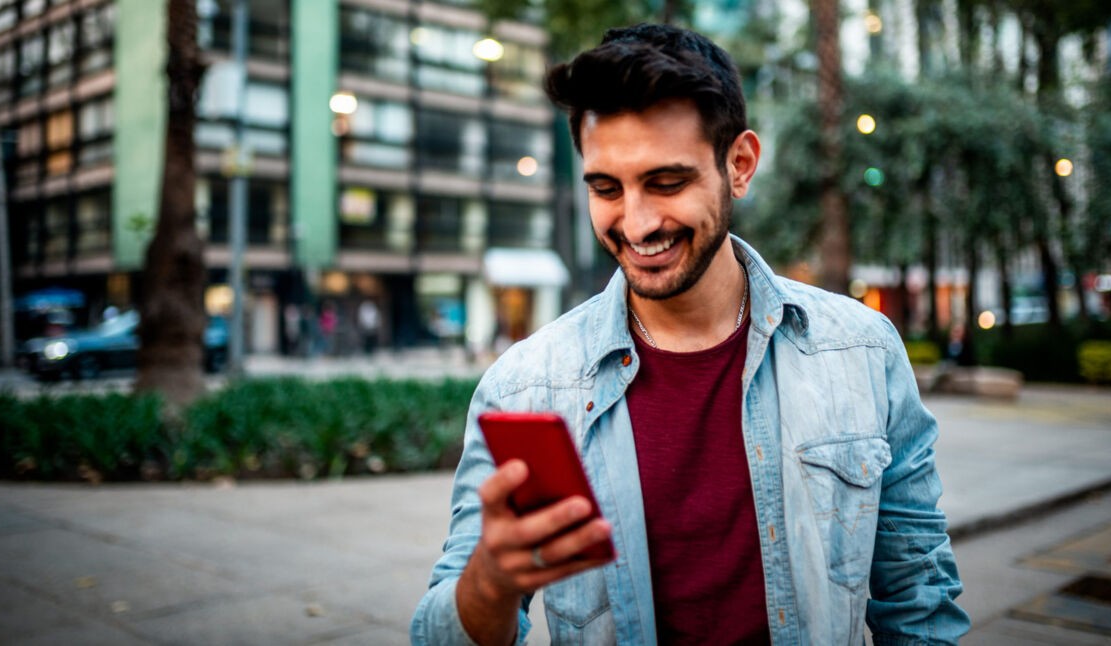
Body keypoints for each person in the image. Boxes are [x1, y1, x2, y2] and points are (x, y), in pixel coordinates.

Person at [411, 23, 969, 645]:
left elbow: (919, 602)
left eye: (666, 183)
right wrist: (491, 580)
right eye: (605, 188)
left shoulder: (863, 351)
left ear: (739, 165)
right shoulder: (524, 388)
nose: (637, 222)